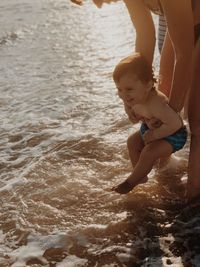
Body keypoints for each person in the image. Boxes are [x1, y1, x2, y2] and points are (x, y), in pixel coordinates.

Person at [70, 0, 200, 201]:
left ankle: (192, 203)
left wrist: (170, 116)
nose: (98, 5)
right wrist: (134, 99)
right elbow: (145, 36)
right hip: (187, 24)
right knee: (160, 95)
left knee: (196, 122)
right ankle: (165, 178)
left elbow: (184, 55)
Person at [111, 53, 187, 194]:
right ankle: (140, 176)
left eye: (129, 89)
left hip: (173, 136)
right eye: (119, 89)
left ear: (149, 85)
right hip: (153, 130)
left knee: (148, 152)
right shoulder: (133, 99)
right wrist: (136, 117)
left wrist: (155, 134)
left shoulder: (157, 103)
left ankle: (130, 182)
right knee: (132, 142)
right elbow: (137, 118)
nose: (123, 95)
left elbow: (176, 124)